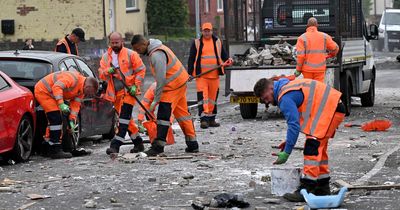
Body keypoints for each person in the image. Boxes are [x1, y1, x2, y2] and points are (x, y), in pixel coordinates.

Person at [253, 77, 345, 202]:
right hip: (333, 109)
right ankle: (322, 187)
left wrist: (287, 152)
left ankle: (307, 188)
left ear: (271, 88)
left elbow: (293, 124)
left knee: (312, 148)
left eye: (265, 98)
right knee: (319, 149)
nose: (267, 102)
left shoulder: (284, 97)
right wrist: (288, 142)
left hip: (329, 111)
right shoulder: (287, 86)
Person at [131, 35, 199, 156]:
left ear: (143, 44)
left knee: (163, 115)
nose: (138, 52)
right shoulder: (159, 48)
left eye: (138, 49)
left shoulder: (156, 55)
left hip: (172, 86)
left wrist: (156, 99)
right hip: (180, 82)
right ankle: (193, 144)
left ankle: (158, 147)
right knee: (183, 115)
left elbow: (161, 79)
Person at [99, 32, 146, 155]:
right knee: (128, 121)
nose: (115, 45)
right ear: (109, 42)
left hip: (129, 91)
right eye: (112, 43)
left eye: (117, 42)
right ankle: (138, 143)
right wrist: (107, 71)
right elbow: (101, 73)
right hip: (115, 94)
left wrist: (136, 86)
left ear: (122, 41)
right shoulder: (105, 57)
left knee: (123, 120)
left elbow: (141, 70)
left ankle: (115, 145)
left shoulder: (131, 54)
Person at [34, 71, 98, 159]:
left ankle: (51, 147)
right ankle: (55, 149)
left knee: (60, 120)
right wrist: (61, 103)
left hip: (53, 95)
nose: (89, 95)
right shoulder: (72, 79)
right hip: (44, 91)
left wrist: (72, 120)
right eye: (90, 92)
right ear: (88, 86)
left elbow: (75, 106)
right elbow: (57, 87)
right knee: (56, 118)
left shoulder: (81, 91)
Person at [188, 22, 233, 129]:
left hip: (214, 75)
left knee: (212, 98)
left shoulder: (217, 42)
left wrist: (228, 59)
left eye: (208, 30)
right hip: (201, 76)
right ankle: (204, 119)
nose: (207, 33)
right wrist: (189, 73)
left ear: (212, 31)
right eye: (205, 31)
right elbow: (191, 58)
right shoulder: (197, 43)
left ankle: (211, 119)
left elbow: (224, 54)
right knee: (203, 98)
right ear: (202, 31)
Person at [295, 17, 339, 82]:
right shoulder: (324, 36)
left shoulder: (301, 38)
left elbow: (301, 56)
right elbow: (335, 48)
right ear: (317, 25)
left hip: (307, 70)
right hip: (320, 69)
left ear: (307, 25)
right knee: (318, 88)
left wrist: (298, 69)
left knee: (308, 88)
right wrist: (330, 55)